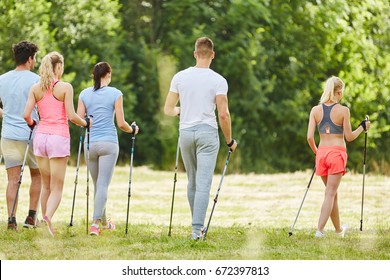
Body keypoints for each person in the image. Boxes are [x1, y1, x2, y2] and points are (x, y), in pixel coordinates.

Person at [164, 37, 238, 240]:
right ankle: (197, 230)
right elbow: (223, 114)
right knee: (204, 183)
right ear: (212, 55)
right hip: (207, 133)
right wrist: (230, 141)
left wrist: (181, 110)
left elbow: (168, 109)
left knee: (193, 182)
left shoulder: (180, 77)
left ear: (195, 53)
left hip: (186, 134)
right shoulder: (218, 80)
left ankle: (198, 226)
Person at [23, 51, 92, 236]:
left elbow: (26, 115)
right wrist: (86, 122)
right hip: (58, 139)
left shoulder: (35, 88)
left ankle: (46, 223)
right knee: (57, 187)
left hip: (40, 138)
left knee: (46, 185)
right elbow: (71, 116)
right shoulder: (65, 87)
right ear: (59, 66)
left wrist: (32, 124)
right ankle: (48, 218)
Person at [77, 61, 139, 236]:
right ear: (108, 75)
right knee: (102, 185)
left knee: (99, 185)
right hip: (109, 144)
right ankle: (95, 223)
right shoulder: (116, 93)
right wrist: (133, 129)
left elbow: (79, 119)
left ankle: (104, 222)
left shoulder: (84, 94)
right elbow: (121, 124)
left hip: (90, 144)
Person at [307, 76, 370, 238]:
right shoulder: (343, 111)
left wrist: (317, 152)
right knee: (330, 193)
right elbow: (349, 137)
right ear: (339, 92)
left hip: (322, 154)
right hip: (337, 154)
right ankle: (319, 231)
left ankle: (338, 230)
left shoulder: (315, 110)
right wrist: (362, 128)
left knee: (332, 192)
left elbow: (309, 137)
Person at [0, 41, 41, 231]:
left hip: (8, 135)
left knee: (12, 179)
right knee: (37, 175)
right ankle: (31, 217)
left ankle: (11, 219)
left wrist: (6, 113)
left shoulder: (2, 79)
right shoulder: (36, 80)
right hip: (30, 133)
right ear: (30, 59)